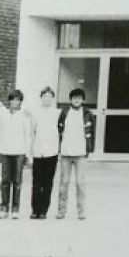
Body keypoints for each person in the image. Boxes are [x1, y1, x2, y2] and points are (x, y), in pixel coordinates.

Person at [57, 88, 95, 220]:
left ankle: (81, 211)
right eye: (74, 98)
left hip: (80, 154)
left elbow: (92, 133)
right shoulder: (64, 112)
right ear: (71, 100)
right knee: (64, 182)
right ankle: (61, 211)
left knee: (80, 183)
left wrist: (89, 149)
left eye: (79, 98)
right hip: (66, 153)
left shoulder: (88, 114)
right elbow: (59, 129)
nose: (77, 100)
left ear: (83, 100)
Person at [0, 90, 32, 220]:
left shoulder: (24, 115)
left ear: (20, 102)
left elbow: (27, 135)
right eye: (12, 99)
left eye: (17, 100)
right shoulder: (3, 114)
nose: (14, 102)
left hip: (19, 152)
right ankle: (4, 207)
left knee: (17, 181)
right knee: (5, 180)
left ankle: (15, 208)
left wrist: (27, 154)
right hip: (6, 151)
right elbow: (0, 131)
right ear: (9, 101)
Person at [29, 86, 61, 220]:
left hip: (52, 152)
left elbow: (60, 132)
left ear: (53, 98)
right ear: (41, 97)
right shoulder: (35, 112)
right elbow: (32, 132)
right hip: (38, 151)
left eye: (49, 96)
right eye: (45, 95)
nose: (47, 98)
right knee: (36, 182)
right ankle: (35, 209)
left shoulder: (58, 113)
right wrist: (30, 152)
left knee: (48, 182)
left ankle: (43, 210)